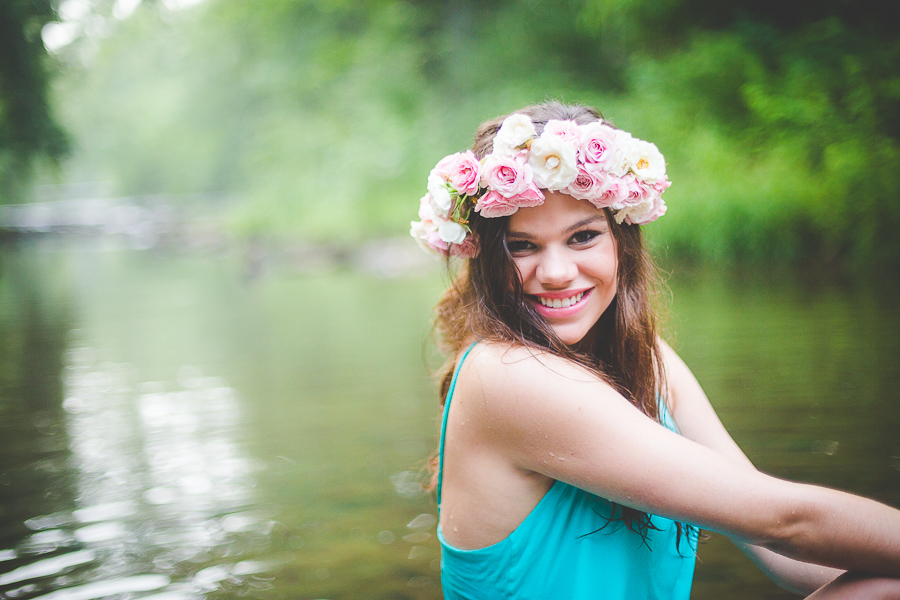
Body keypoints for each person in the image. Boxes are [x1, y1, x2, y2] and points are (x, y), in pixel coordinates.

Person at [409, 101, 900, 599]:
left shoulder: (648, 357)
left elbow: (780, 549)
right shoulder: (505, 374)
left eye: (582, 236)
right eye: (522, 246)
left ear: (623, 241)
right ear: (487, 260)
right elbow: (784, 521)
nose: (556, 272)